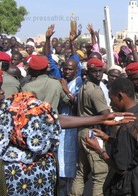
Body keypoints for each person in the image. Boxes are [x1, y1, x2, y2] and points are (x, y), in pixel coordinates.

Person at [0, 68, 136, 196]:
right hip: (14, 183)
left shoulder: (12, 106)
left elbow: (52, 120)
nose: (1, 91)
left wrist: (102, 118)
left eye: (0, 86)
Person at [85, 78, 138, 195]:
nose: (111, 104)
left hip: (130, 188)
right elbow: (136, 147)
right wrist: (108, 138)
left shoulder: (127, 127)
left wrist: (99, 150)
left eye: (111, 99)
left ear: (120, 96)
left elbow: (121, 168)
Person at [71, 58, 110, 196]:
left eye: (100, 71)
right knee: (100, 174)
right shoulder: (95, 90)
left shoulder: (84, 86)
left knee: (82, 172)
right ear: (88, 72)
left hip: (83, 131)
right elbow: (106, 115)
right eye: (94, 71)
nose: (98, 74)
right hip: (93, 133)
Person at [57, 58, 83, 196]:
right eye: (65, 68)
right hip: (61, 128)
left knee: (72, 169)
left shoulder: (79, 83)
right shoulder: (61, 81)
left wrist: (66, 90)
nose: (67, 71)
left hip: (73, 127)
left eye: (70, 69)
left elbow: (78, 104)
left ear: (76, 70)